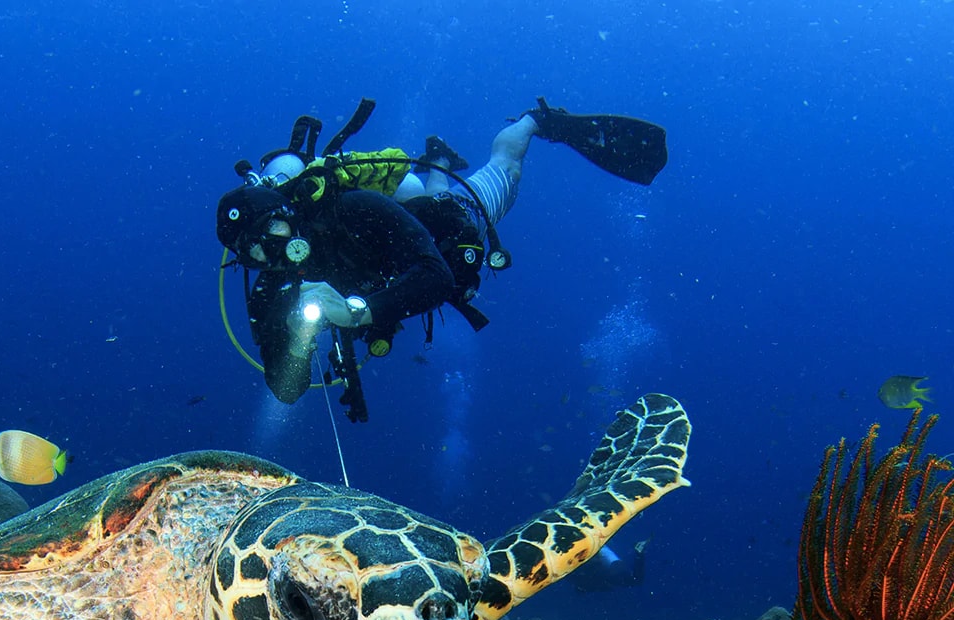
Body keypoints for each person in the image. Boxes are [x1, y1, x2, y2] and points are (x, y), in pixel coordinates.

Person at [215, 98, 667, 420]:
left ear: (285, 211)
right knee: (427, 195)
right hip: (403, 249)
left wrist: (358, 310)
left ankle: (535, 120)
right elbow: (285, 390)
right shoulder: (272, 291)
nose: (267, 252)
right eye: (251, 252)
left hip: (446, 230)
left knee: (505, 168)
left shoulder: (350, 209)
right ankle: (435, 159)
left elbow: (438, 277)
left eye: (268, 234)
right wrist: (295, 338)